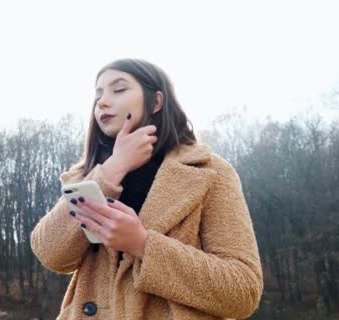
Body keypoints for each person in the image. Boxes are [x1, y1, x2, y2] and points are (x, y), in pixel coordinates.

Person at [30, 58, 263, 319]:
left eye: (118, 90)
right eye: (98, 94)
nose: (103, 102)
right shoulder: (88, 176)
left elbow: (243, 291)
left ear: (156, 102)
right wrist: (112, 169)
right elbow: (51, 254)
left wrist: (142, 244)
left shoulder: (209, 171)